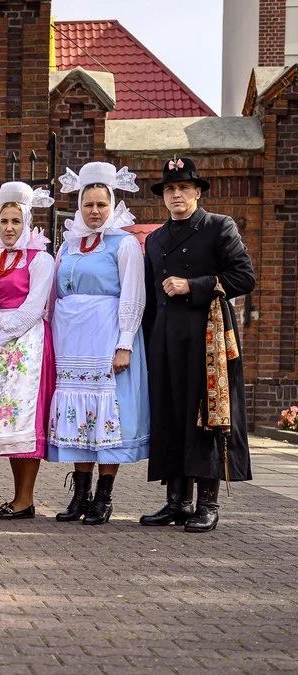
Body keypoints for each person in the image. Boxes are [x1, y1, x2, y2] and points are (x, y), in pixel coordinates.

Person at [140, 157, 255, 533]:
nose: (176, 195)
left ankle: (207, 503)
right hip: (165, 338)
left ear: (198, 192)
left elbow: (243, 276)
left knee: (204, 415)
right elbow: (148, 299)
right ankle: (176, 502)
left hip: (208, 338)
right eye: (170, 189)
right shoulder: (155, 239)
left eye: (183, 188)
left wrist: (194, 285)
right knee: (170, 413)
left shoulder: (219, 227)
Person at [48, 162, 149, 525]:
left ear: (112, 205)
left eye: (101, 205)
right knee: (77, 414)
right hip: (72, 340)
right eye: (88, 205)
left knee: (105, 415)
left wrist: (124, 342)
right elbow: (54, 296)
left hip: (107, 336)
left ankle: (104, 496)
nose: (94, 212)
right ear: (79, 206)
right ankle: (80, 494)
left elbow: (133, 296)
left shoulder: (124, 244)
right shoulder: (68, 245)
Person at [0, 181, 56, 519]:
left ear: (27, 223)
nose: (9, 228)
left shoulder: (40, 259)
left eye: (15, 222)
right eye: (4, 221)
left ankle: (25, 499)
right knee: (7, 422)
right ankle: (19, 497)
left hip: (26, 343)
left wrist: (1, 336)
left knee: (23, 417)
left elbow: (34, 307)